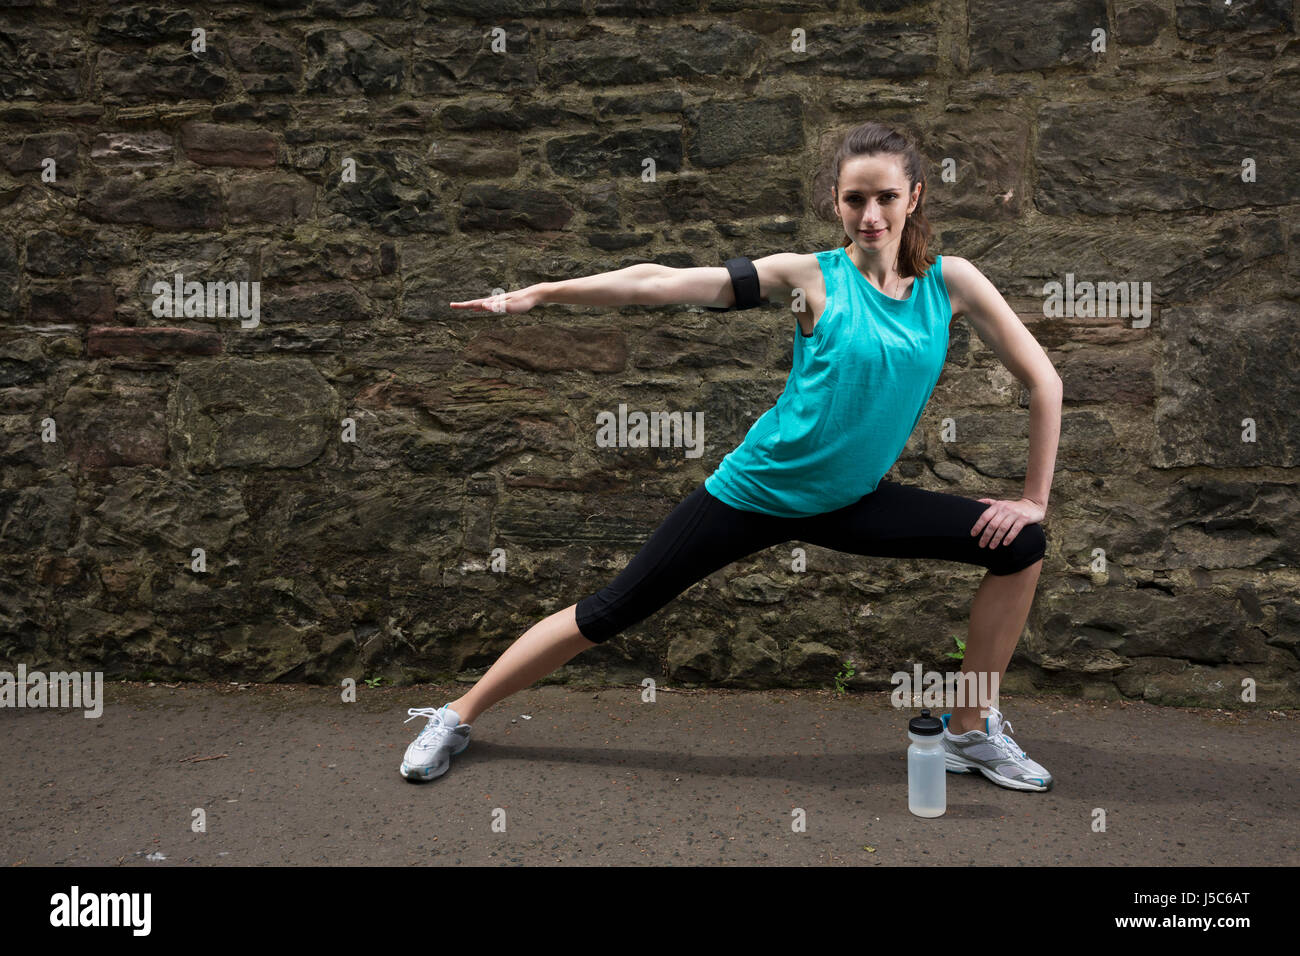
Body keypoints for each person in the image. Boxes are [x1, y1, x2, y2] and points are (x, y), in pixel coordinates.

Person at [400, 122, 1063, 792]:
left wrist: (1033, 499)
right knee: (609, 611)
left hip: (851, 500)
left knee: (1019, 545)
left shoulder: (952, 284)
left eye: (886, 197)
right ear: (834, 201)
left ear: (914, 197)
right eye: (855, 198)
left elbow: (1045, 382)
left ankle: (970, 730)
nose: (870, 215)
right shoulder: (809, 279)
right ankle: (456, 715)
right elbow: (658, 282)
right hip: (755, 494)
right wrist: (544, 293)